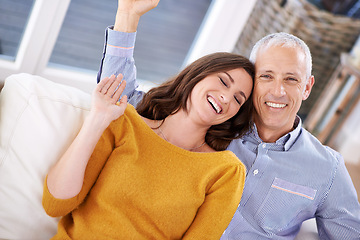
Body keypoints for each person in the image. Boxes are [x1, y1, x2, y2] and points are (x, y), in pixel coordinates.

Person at [98, 0, 360, 239]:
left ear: (307, 87)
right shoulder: (212, 123)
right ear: (251, 82)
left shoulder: (327, 168)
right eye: (266, 76)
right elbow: (122, 98)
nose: (278, 91)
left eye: (291, 79)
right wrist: (127, 17)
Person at [42, 11, 256, 239]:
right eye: (223, 82)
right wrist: (96, 119)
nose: (226, 97)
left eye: (238, 99)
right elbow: (55, 204)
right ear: (197, 75)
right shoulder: (125, 123)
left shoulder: (225, 171)